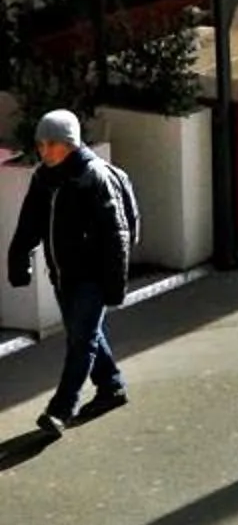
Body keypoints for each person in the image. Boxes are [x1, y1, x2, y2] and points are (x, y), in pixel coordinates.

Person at [5, 107, 138, 436]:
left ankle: (61, 409)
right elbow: (29, 225)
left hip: (91, 276)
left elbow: (117, 235)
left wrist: (113, 287)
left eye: (51, 144)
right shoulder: (43, 178)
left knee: (81, 342)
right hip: (62, 274)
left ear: (70, 144)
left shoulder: (94, 177)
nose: (44, 151)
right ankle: (111, 386)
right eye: (41, 144)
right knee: (87, 335)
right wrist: (18, 261)